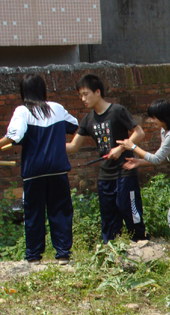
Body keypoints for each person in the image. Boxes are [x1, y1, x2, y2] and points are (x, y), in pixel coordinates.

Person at [109, 100, 170, 260]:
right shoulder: (166, 132)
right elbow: (161, 158)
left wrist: (132, 146)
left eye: (153, 117)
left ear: (163, 117)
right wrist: (140, 162)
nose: (151, 121)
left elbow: (156, 159)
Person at [0, 74, 78, 265]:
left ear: (24, 92)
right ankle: (63, 255)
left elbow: (14, 136)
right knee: (60, 210)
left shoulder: (23, 110)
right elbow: (75, 125)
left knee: (34, 213)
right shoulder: (58, 108)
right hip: (58, 169)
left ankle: (34, 256)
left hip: (34, 171)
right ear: (43, 89)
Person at [66, 74, 147, 243]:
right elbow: (73, 147)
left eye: (85, 94)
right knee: (108, 216)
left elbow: (139, 133)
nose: (83, 99)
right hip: (105, 176)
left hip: (125, 171)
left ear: (97, 92)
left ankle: (140, 242)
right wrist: (45, 142)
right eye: (80, 95)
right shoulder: (87, 120)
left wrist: (120, 148)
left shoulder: (117, 111)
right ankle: (111, 247)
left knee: (129, 209)